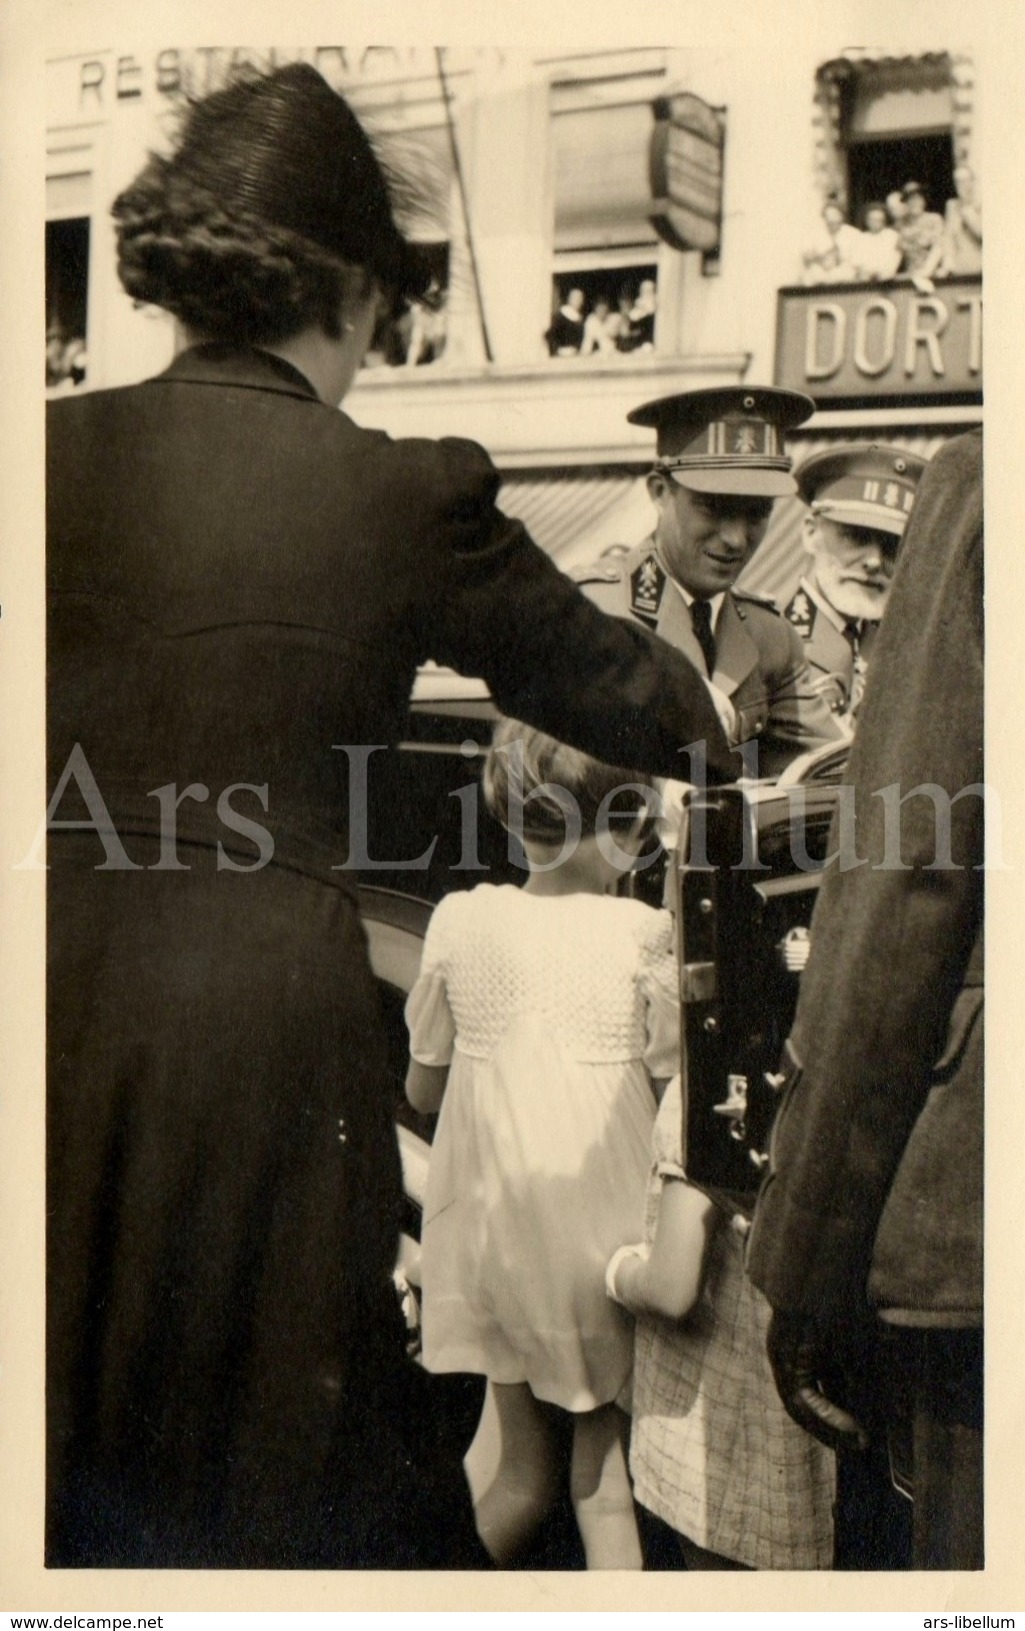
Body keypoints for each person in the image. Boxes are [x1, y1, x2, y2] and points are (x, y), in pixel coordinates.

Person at [45, 64, 738, 1572]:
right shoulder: (398, 491)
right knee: (273, 1479)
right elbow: (649, 704)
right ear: (354, 293)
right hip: (258, 1037)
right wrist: (731, 696)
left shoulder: (42, 459)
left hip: (44, 990)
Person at [747, 431, 984, 1570]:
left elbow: (900, 888)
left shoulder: (988, 494)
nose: (872, 562)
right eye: (848, 536)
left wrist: (803, 1256)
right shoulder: (766, 643)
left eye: (886, 543)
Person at [404, 720, 679, 1568]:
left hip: (495, 1240)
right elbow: (674, 1099)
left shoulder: (459, 919)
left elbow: (422, 1088)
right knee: (602, 1487)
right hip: (603, 1249)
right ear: (633, 832)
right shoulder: (641, 935)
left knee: (519, 1473)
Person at [606, 1073, 835, 1570]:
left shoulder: (708, 1086)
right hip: (814, 1452)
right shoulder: (832, 1075)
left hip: (719, 1448)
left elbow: (672, 1288)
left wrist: (617, 1273)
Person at [574, 386, 845, 779]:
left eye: (757, 513)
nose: (736, 538)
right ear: (660, 492)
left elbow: (829, 772)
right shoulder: (592, 613)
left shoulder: (770, 635)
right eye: (713, 507)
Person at [786, 443, 927, 723]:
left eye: (892, 546)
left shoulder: (906, 648)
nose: (874, 561)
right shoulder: (770, 641)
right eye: (856, 536)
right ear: (811, 533)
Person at [801, 197, 863, 285]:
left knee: (847, 273)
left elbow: (858, 260)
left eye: (835, 216)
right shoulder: (815, 234)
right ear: (824, 218)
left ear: (842, 216)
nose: (831, 220)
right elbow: (806, 257)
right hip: (821, 271)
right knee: (812, 274)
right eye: (828, 216)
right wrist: (820, 256)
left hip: (844, 271)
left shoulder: (854, 234)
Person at [896, 181, 945, 288]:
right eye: (910, 200)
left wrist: (926, 271)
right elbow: (897, 253)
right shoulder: (900, 225)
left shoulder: (934, 219)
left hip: (934, 274)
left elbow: (939, 247)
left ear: (923, 201)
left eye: (918, 199)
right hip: (910, 276)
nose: (914, 203)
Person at [938, 164, 982, 276]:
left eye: (966, 180)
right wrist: (947, 263)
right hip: (958, 266)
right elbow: (948, 237)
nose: (963, 185)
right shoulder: (952, 206)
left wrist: (968, 212)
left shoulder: (982, 204)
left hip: (981, 265)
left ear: (973, 182)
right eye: (958, 181)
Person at [854, 202, 901, 282]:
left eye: (879, 220)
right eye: (872, 219)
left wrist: (882, 272)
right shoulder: (861, 237)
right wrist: (867, 272)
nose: (876, 222)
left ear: (884, 220)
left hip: (886, 277)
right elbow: (857, 261)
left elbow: (894, 259)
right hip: (865, 277)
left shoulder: (893, 236)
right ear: (866, 221)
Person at [546, 286, 586, 355]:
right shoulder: (560, 315)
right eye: (575, 298)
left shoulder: (580, 318)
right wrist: (558, 350)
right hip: (561, 354)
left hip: (575, 354)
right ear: (569, 299)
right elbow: (550, 336)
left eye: (580, 298)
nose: (578, 301)